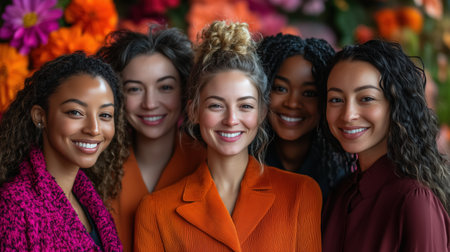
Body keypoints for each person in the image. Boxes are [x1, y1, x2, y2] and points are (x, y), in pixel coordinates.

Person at [134, 21, 322, 251]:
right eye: (216, 106)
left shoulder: (301, 193)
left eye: (245, 106)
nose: (231, 120)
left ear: (262, 112)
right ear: (194, 111)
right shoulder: (155, 210)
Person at [321, 40, 450, 251]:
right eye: (336, 99)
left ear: (395, 105)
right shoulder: (341, 194)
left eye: (366, 98)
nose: (348, 114)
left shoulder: (414, 200)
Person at [0, 52, 127, 251]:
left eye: (105, 115)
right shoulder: (14, 206)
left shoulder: (89, 200)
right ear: (40, 116)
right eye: (76, 112)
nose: (94, 129)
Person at [96, 25, 206, 251]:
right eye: (134, 89)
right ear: (117, 96)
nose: (150, 103)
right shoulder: (97, 166)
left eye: (165, 87)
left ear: (185, 91)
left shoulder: (208, 164)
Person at [257, 33, 352, 200]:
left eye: (309, 93)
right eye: (280, 88)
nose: (292, 103)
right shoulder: (242, 163)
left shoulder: (338, 176)